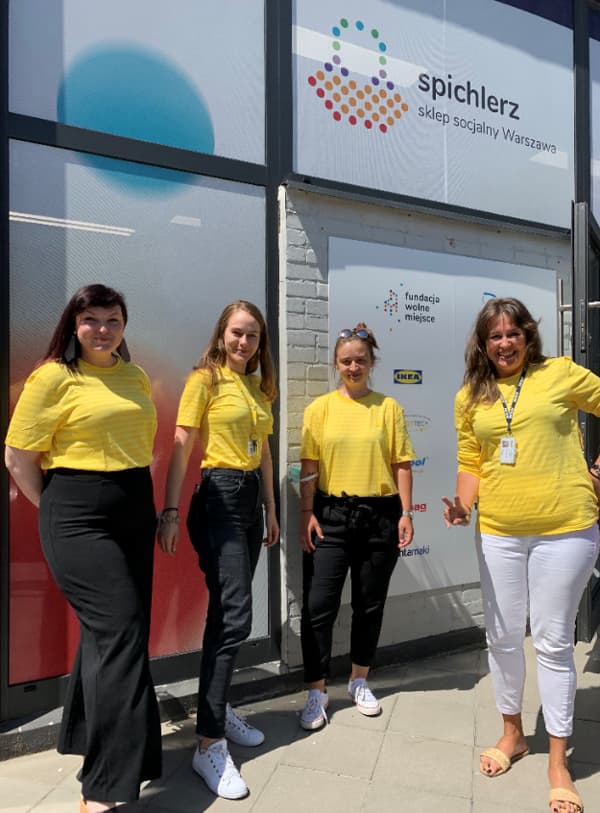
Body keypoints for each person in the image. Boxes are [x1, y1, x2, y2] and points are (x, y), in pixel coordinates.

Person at [4, 284, 161, 813]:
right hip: (77, 513)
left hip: (134, 508)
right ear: (74, 324)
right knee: (121, 632)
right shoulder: (53, 377)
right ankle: (103, 788)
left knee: (107, 638)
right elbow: (17, 456)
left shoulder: (134, 375)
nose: (102, 329)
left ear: (124, 325)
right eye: (91, 319)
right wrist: (56, 506)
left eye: (112, 320)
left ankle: (87, 740)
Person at [442, 297, 600, 813]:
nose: (505, 343)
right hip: (500, 533)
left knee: (553, 643)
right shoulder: (470, 395)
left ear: (529, 336)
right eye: (495, 336)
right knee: (504, 637)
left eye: (513, 333)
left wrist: (598, 471)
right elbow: (471, 462)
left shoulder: (560, 374)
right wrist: (463, 504)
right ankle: (512, 733)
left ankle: (558, 761)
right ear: (483, 344)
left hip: (565, 530)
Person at [157, 300, 279, 800]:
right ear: (222, 334)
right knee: (236, 617)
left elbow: (264, 450)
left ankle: (217, 705)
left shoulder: (259, 386)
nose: (243, 342)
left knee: (224, 615)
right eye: (236, 333)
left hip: (250, 499)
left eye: (252, 335)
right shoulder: (205, 379)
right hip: (219, 495)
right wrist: (170, 510)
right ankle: (208, 743)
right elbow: (182, 441)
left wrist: (271, 506)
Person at [298, 323, 415, 730]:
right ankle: (316, 691)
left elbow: (402, 463)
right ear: (336, 364)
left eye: (360, 360)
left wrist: (406, 512)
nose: (353, 367)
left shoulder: (389, 408)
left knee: (369, 605)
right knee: (318, 607)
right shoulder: (320, 410)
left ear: (372, 363)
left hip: (380, 516)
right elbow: (309, 467)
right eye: (346, 361)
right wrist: (306, 512)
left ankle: (359, 680)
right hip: (330, 516)